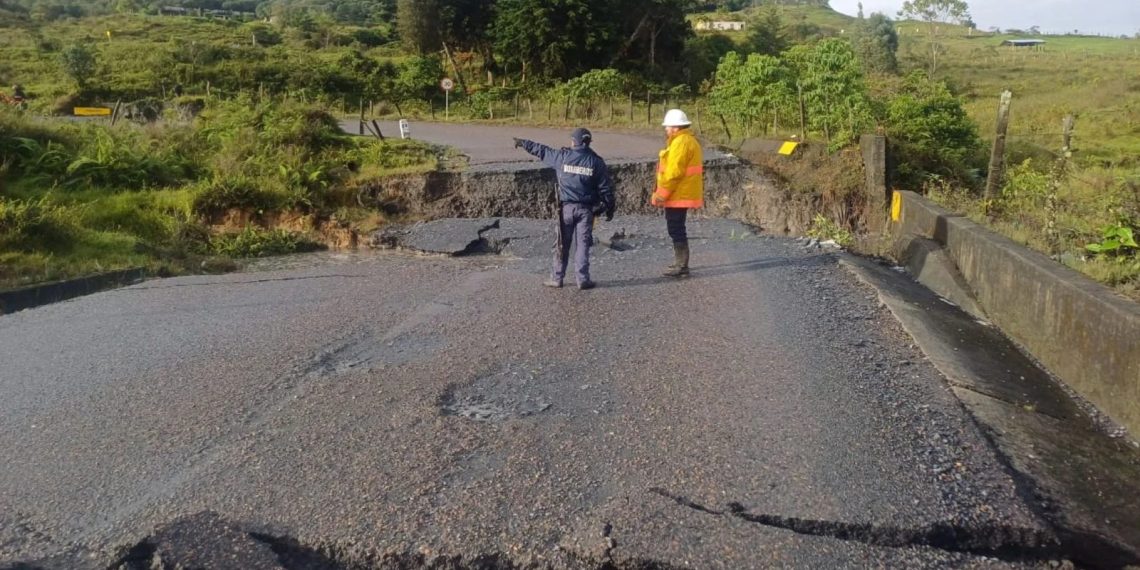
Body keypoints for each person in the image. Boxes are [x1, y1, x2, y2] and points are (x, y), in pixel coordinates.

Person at [513, 128, 616, 290]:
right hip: (586, 210)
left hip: (566, 209)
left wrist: (523, 143)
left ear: (575, 141)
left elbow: (542, 151)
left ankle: (557, 278)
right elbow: (605, 188)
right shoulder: (596, 162)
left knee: (562, 243)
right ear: (588, 142)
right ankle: (582, 279)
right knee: (583, 245)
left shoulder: (562, 157)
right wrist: (610, 207)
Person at [650, 109, 704, 277]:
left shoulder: (681, 142)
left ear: (675, 127)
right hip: (681, 193)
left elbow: (674, 173)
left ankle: (681, 265)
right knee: (677, 227)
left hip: (678, 194)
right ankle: (681, 263)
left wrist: (661, 194)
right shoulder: (687, 140)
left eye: (667, 126)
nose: (665, 129)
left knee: (676, 228)